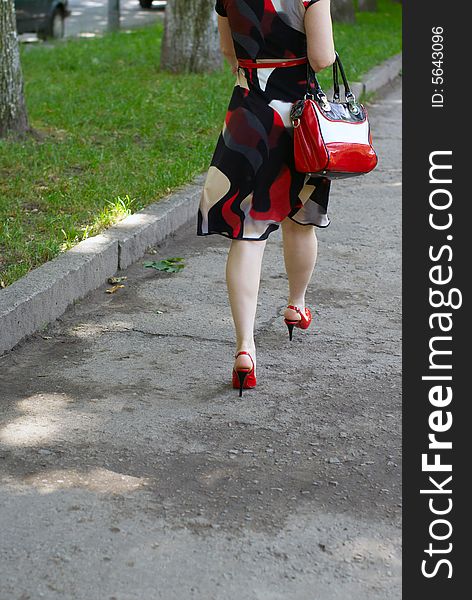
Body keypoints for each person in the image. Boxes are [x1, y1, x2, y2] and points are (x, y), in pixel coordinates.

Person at [197, 0, 336, 396]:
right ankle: (296, 304)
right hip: (299, 116)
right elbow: (322, 57)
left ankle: (245, 348)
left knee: (247, 231)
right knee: (300, 219)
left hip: (248, 114)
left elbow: (229, 52)